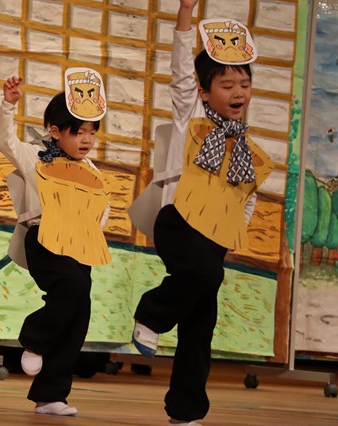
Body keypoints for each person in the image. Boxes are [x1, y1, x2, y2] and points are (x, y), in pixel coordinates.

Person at [130, 1, 274, 424]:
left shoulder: (244, 144)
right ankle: (150, 313)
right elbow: (179, 67)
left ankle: (185, 411)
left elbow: (245, 194)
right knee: (207, 276)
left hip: (214, 235)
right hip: (178, 221)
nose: (238, 92)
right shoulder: (189, 114)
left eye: (244, 84)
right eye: (227, 85)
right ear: (205, 91)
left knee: (201, 324)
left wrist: (234, 232)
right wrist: (185, 13)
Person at [0, 71, 111, 416]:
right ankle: (34, 339)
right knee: (72, 287)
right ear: (56, 131)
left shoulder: (91, 170)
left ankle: (51, 396)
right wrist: (8, 105)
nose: (87, 139)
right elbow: (4, 141)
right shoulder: (36, 156)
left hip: (80, 244)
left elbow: (101, 210)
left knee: (79, 313)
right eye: (79, 131)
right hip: (44, 237)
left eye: (92, 132)